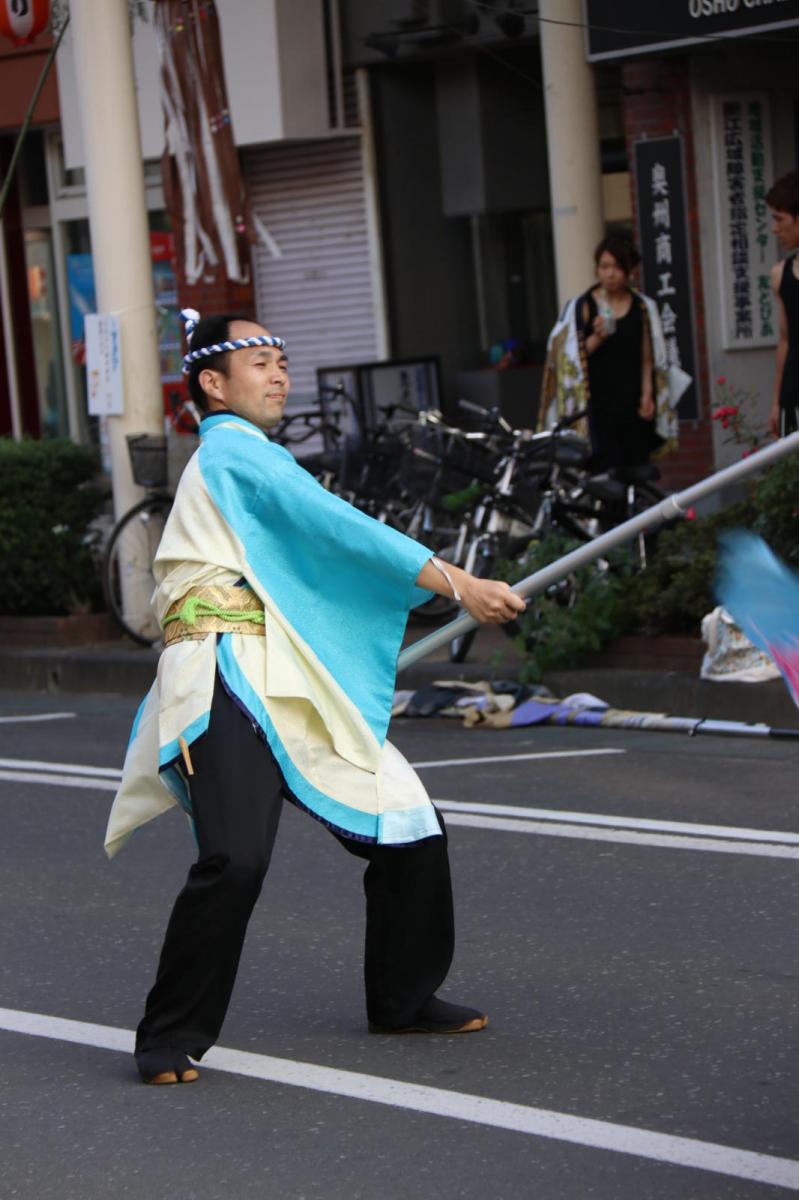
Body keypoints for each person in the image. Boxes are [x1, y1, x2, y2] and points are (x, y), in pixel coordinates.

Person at [106, 309, 525, 1086]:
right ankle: (167, 1036)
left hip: (289, 674)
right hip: (223, 672)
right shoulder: (231, 453)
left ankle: (401, 996)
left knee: (407, 825)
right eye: (259, 362)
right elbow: (338, 529)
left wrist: (434, 585)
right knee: (234, 859)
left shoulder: (260, 460)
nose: (278, 374)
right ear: (212, 383)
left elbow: (318, 554)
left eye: (280, 360)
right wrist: (457, 581)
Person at [538, 235, 678, 472]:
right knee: (602, 472)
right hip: (597, 406)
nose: (610, 274)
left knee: (634, 469)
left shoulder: (642, 307)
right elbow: (569, 360)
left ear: (630, 270)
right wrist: (598, 337)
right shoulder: (582, 306)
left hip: (631, 404)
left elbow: (648, 356)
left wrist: (647, 393)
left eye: (617, 267)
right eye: (604, 267)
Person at [767, 170, 799, 438]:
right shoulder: (780, 274)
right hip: (794, 392)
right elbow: (785, 340)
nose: (775, 228)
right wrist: (776, 401)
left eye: (780, 219)